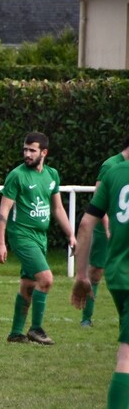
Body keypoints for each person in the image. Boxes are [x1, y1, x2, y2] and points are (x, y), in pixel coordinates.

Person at [0, 132, 75, 345]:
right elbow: (3, 211)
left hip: (40, 237)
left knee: (28, 284)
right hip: (22, 236)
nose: (27, 154)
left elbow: (57, 208)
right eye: (25, 149)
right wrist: (0, 242)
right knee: (46, 279)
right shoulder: (17, 175)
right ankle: (36, 329)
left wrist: (71, 234)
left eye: (32, 150)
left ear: (44, 152)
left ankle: (15, 333)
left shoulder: (52, 175)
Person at [71, 159, 129, 409]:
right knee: (127, 355)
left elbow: (85, 224)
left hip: (118, 275)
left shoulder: (113, 173)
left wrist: (81, 276)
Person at [80, 138, 129, 327]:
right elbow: (99, 200)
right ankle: (86, 318)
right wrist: (108, 227)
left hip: (123, 227)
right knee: (96, 271)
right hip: (105, 227)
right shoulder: (110, 165)